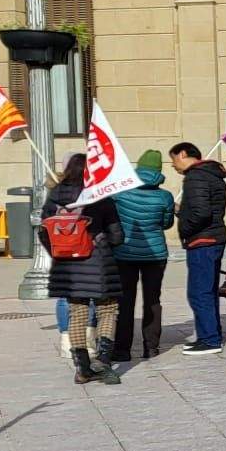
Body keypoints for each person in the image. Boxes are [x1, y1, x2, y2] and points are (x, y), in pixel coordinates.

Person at [42, 153, 125, 385]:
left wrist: (60, 251)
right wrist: (102, 241)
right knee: (108, 309)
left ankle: (82, 368)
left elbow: (43, 231)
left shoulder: (55, 197)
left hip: (67, 266)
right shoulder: (100, 196)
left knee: (76, 313)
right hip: (99, 262)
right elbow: (117, 236)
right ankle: (103, 361)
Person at [110, 150, 176, 363]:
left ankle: (122, 350)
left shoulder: (120, 192)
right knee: (152, 300)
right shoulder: (165, 196)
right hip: (155, 254)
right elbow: (166, 224)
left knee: (125, 301)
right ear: (158, 171)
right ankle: (151, 347)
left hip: (124, 253)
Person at [170, 142, 226, 356]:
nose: (173, 165)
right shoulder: (212, 174)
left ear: (184, 154)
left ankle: (210, 339)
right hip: (213, 238)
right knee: (208, 290)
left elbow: (201, 214)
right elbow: (205, 208)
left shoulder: (196, 176)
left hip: (202, 241)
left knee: (199, 292)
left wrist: (184, 227)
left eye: (174, 159)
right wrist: (182, 211)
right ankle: (209, 335)